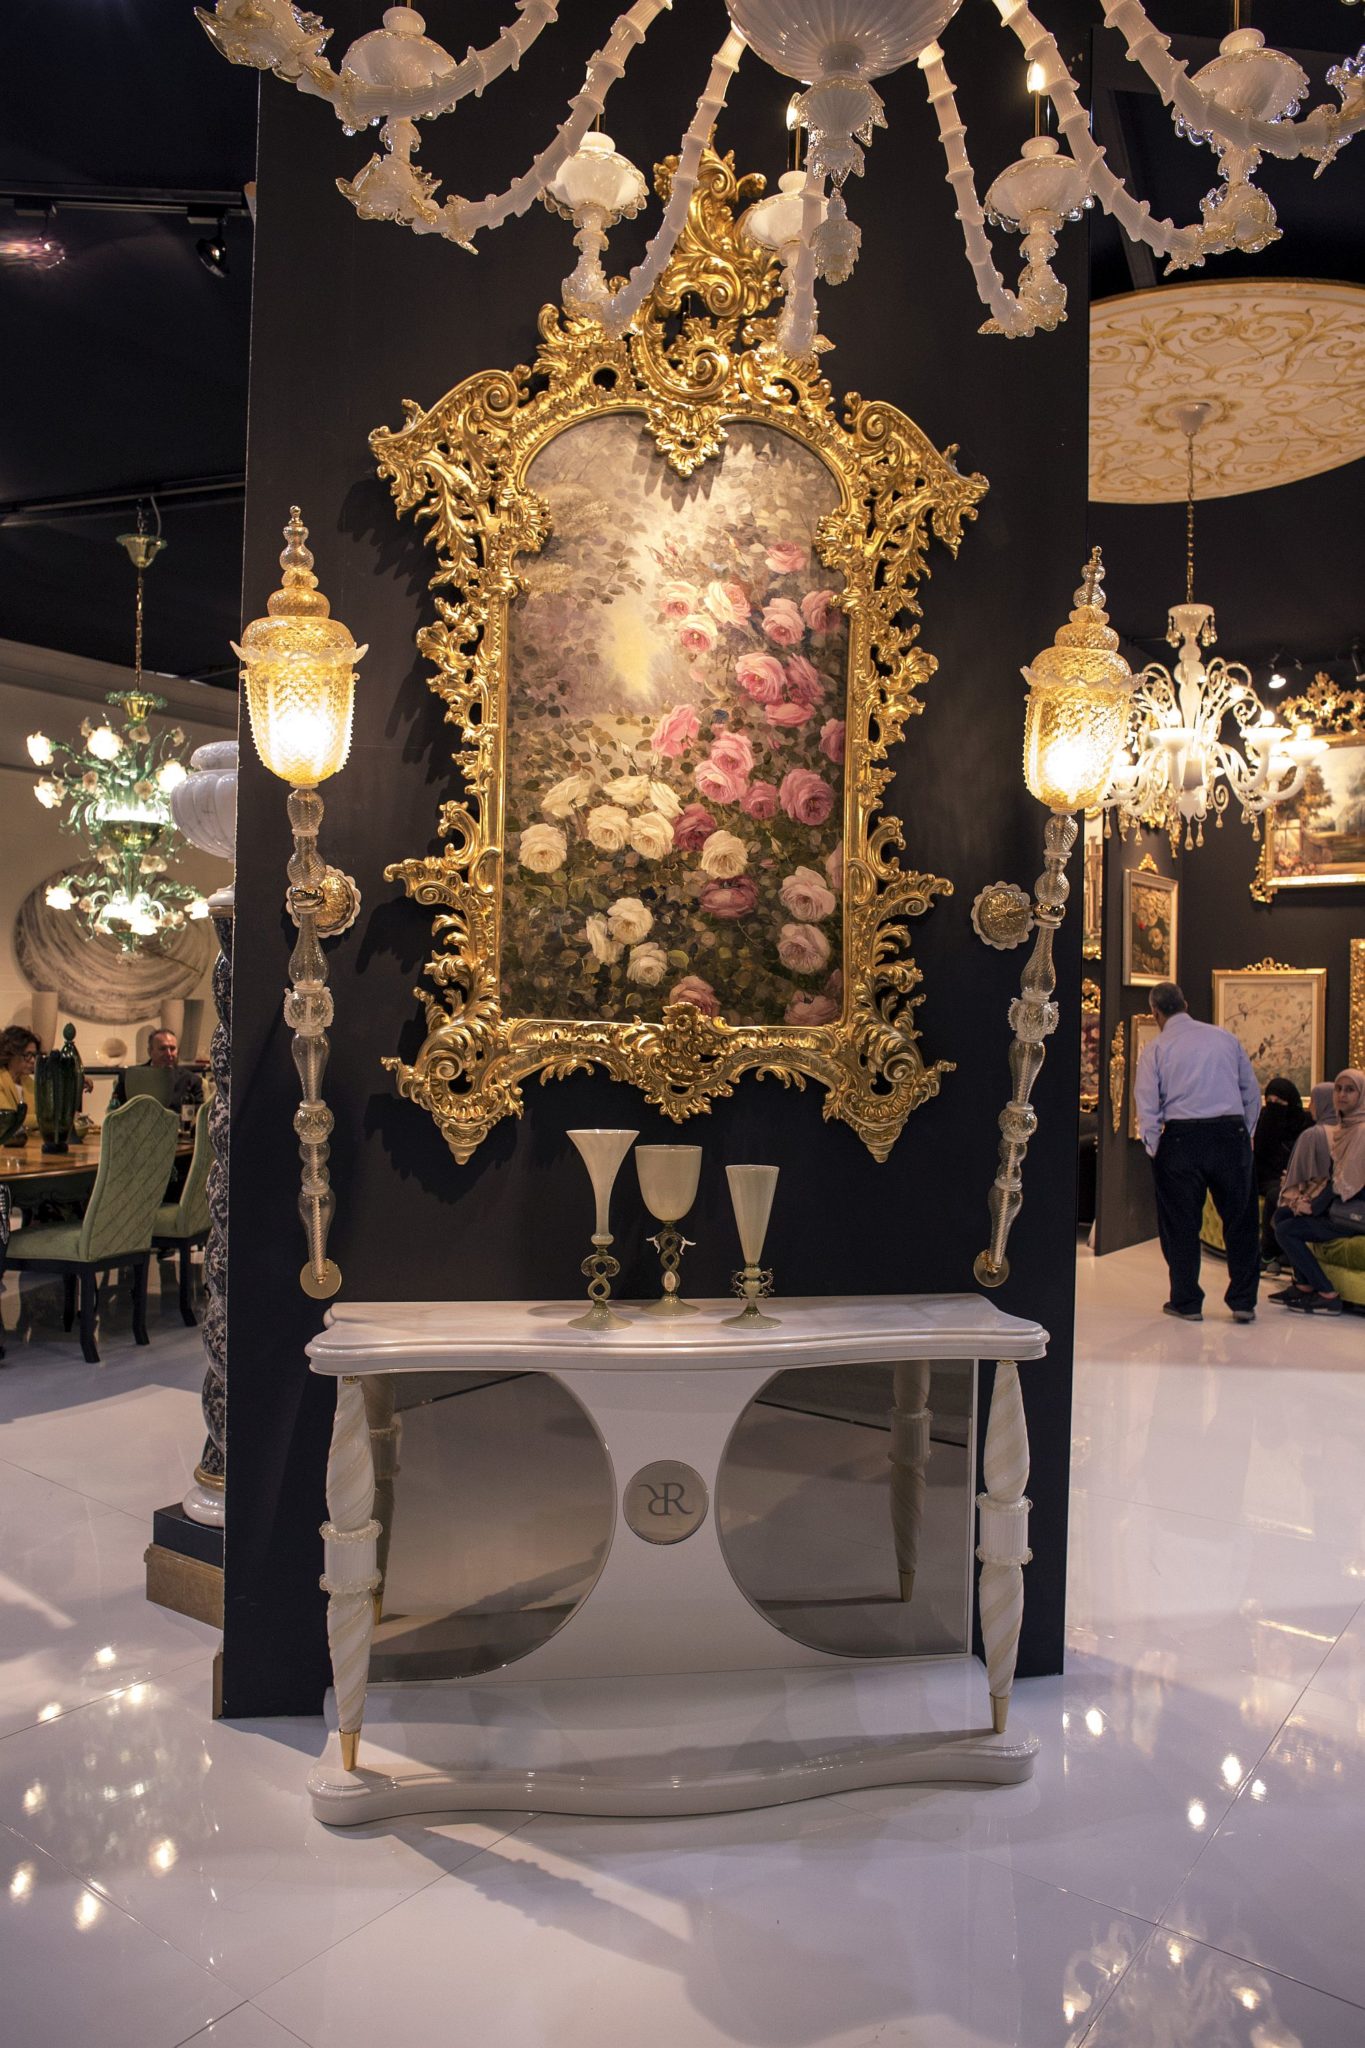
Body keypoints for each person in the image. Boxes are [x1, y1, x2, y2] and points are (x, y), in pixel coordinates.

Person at [1133, 980, 1262, 1323]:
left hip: (1181, 1139)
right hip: (1229, 1134)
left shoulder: (1156, 1048)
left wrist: (1155, 1147)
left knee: (1180, 1225)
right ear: (1186, 1003)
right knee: (1241, 1221)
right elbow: (1252, 1093)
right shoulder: (1225, 1038)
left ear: (1155, 1012)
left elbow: (1146, 1103)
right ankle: (1243, 1301)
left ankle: (1187, 1301)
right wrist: (1243, 1133)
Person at [1272, 1068, 1365, 1315]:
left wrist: (1312, 1207)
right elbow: (1335, 1178)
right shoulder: (1347, 1127)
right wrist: (1306, 1200)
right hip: (1341, 1206)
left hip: (1355, 1212)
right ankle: (1303, 1285)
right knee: (1282, 1215)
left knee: (1287, 1229)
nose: (1342, 1095)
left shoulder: (1361, 1131)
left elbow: (1345, 1183)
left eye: (1350, 1090)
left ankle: (1327, 1294)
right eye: (1338, 1089)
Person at [1252, 1075, 1309, 1265]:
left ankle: (1273, 1251)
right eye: (1270, 1101)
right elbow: (1259, 1153)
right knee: (1274, 1192)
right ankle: (1268, 1252)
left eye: (1280, 1102)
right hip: (1265, 1176)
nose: (1274, 1106)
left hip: (1297, 1177)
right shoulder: (1264, 1119)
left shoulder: (1304, 1123)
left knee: (1279, 1192)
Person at [109, 1027, 203, 1116]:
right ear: (150, 1051)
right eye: (163, 1048)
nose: (169, 1054)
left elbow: (199, 1116)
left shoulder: (191, 1081)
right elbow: (116, 1112)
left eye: (172, 1048)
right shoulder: (129, 1077)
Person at [0, 1026, 39, 1119]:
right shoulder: (1, 1080)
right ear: (11, 1053)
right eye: (28, 1055)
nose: (33, 1060)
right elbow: (9, 1120)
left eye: (34, 1055)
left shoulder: (30, 1082)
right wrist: (42, 1120)